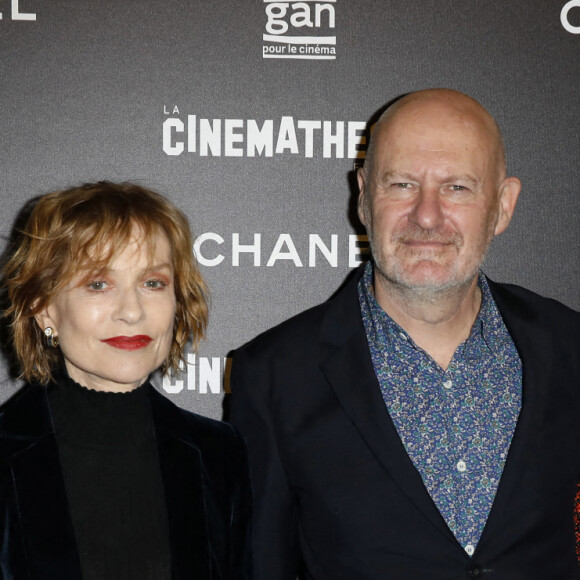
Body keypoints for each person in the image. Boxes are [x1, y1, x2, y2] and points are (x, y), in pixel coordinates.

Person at [229, 89, 580, 579]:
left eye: (457, 187)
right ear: (364, 197)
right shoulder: (272, 377)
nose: (427, 215)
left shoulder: (568, 347)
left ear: (502, 206)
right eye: (401, 185)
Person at [0, 182, 251, 580]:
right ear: (44, 308)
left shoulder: (219, 454)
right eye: (98, 284)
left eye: (153, 283)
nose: (132, 312)